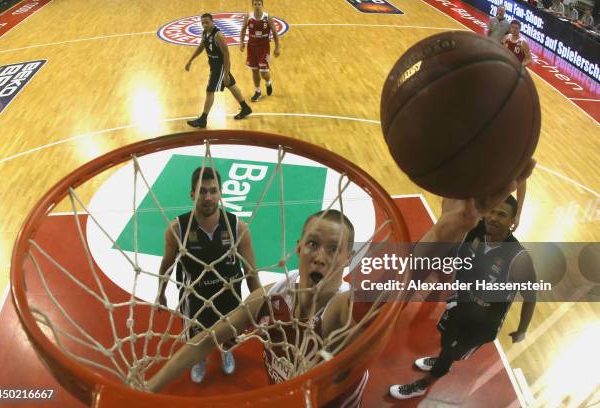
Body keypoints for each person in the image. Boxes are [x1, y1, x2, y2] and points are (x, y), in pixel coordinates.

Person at [148, 158, 536, 404]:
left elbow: (409, 270)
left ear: (348, 259)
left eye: (334, 250)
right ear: (297, 248)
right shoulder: (270, 299)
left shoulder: (344, 308)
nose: (320, 255)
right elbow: (203, 341)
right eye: (313, 244)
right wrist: (149, 388)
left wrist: (455, 224)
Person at [389, 195, 537, 399]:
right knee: (446, 340)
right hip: (459, 304)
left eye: (502, 215)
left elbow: (531, 297)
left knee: (450, 354)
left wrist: (522, 330)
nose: (493, 218)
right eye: (492, 211)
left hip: (482, 323)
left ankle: (423, 384)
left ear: (513, 221)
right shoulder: (476, 231)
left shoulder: (519, 258)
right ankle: (443, 359)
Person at [157, 167, 260, 383]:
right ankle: (199, 359)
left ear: (221, 193)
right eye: (202, 191)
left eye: (213, 191)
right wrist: (161, 293)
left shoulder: (237, 227)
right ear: (192, 194)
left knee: (229, 334)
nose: (208, 197)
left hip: (229, 294)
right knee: (196, 340)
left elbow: (251, 272)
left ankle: (225, 351)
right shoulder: (177, 229)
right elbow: (166, 264)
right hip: (194, 298)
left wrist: (259, 304)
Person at [185, 13, 253, 128]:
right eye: (203, 23)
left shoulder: (218, 35)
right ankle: (245, 108)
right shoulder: (205, 33)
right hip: (214, 65)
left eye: (207, 22)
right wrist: (190, 59)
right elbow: (201, 47)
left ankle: (203, 119)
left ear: (212, 22)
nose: (205, 25)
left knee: (209, 91)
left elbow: (226, 54)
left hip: (220, 67)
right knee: (231, 85)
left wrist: (225, 73)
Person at [239, 0, 282, 102]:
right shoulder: (248, 17)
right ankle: (258, 91)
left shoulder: (267, 18)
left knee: (263, 72)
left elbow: (275, 33)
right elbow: (243, 30)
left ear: (262, 5)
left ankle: (268, 82)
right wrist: (241, 42)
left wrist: (277, 47)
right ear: (252, 5)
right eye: (255, 4)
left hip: (264, 48)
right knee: (254, 70)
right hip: (251, 48)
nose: (257, 6)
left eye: (259, 4)